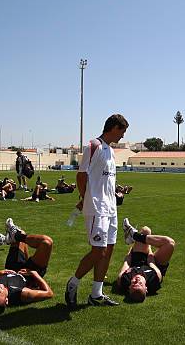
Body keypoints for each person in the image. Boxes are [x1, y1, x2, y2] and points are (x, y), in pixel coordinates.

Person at [65, 114, 129, 308]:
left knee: (108, 249)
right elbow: (81, 176)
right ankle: (73, 283)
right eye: (122, 131)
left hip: (111, 208)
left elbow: (104, 180)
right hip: (96, 207)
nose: (123, 136)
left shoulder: (111, 151)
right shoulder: (93, 146)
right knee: (98, 250)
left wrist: (118, 191)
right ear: (113, 127)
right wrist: (85, 199)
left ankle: (96, 294)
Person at [0, 218, 54, 314]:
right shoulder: (21, 294)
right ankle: (15, 235)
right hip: (29, 274)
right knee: (46, 242)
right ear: (6, 300)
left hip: (11, 268)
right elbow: (49, 293)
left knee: (21, 235)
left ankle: (15, 236)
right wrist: (34, 274)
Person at [117, 218, 175, 302]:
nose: (137, 280)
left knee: (146, 230)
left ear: (129, 288)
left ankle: (134, 236)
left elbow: (127, 262)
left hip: (137, 261)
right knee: (170, 243)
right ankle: (134, 235)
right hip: (154, 264)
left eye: (134, 283)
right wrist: (148, 247)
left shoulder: (123, 280)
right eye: (140, 283)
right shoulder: (154, 280)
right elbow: (151, 261)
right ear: (146, 288)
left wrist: (132, 250)